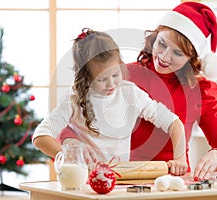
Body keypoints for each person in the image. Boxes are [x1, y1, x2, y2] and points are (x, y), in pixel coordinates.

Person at [32, 28, 188, 175]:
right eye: (102, 79)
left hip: (119, 179)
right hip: (83, 181)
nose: (111, 84)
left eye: (115, 74)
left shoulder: (130, 93)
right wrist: (63, 156)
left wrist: (180, 158)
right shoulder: (74, 99)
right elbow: (40, 136)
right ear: (86, 76)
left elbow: (174, 123)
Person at [125, 1, 217, 180]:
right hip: (125, 177)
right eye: (162, 44)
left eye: (178, 53)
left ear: (192, 58)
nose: (164, 56)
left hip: (175, 181)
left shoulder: (200, 90)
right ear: (154, 37)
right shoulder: (125, 75)